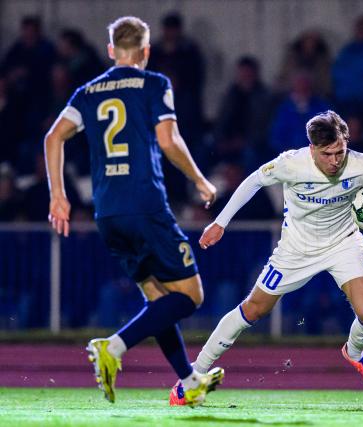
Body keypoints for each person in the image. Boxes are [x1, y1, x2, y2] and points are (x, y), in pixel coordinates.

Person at [169, 110, 363, 405]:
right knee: (252, 310)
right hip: (295, 250)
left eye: (340, 152)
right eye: (327, 154)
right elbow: (253, 181)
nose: (335, 160)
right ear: (312, 148)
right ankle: (193, 376)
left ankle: (354, 353)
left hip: (344, 244)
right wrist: (221, 222)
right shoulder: (291, 164)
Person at [44, 16, 223, 407]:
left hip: (107, 213)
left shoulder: (88, 91)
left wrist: (58, 195)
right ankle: (114, 346)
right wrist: (198, 179)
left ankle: (189, 380)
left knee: (158, 298)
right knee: (190, 295)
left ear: (111, 51)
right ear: (146, 51)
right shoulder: (155, 83)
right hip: (145, 205)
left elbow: (53, 136)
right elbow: (168, 139)